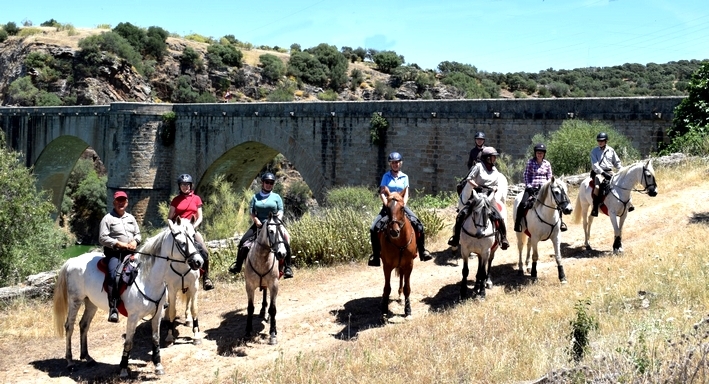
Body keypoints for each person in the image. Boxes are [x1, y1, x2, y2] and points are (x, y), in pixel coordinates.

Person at [368, 152, 433, 267]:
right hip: (388, 207)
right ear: (390, 164)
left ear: (400, 163)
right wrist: (386, 203)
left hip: (401, 207)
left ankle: (422, 251)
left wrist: (403, 204)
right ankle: (376, 256)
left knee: (419, 225)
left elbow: (406, 193)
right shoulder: (386, 177)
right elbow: (382, 192)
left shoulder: (405, 177)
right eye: (393, 163)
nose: (395, 164)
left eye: (397, 162)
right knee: (374, 228)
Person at [229, 172, 293, 278]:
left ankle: (288, 268)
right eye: (267, 182)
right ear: (262, 183)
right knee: (243, 242)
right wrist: (256, 220)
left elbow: (281, 211)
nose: (269, 184)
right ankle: (238, 266)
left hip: (274, 224)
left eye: (271, 183)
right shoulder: (255, 197)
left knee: (285, 239)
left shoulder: (276, 197)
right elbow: (251, 212)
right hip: (259, 224)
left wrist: (276, 221)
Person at [448, 147, 510, 250]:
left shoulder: (494, 169)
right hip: (477, 195)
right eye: (493, 157)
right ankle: (456, 239)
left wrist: (494, 189)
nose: (495, 159)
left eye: (495, 157)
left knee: (499, 216)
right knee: (461, 215)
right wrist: (477, 186)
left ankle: (503, 239)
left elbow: (496, 184)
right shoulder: (478, 166)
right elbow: (469, 179)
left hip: (490, 196)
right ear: (487, 158)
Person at [99, 190, 141, 323]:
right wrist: (120, 244)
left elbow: (138, 234)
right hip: (115, 252)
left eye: (123, 200)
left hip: (131, 252)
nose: (121, 203)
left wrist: (135, 241)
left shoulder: (131, 218)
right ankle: (113, 308)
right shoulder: (107, 218)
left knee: (148, 268)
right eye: (118, 200)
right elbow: (102, 238)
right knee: (113, 274)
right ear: (114, 202)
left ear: (127, 203)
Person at [168, 174, 214, 291]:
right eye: (183, 185)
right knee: (165, 251)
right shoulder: (176, 200)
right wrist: (172, 227)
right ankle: (164, 280)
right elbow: (169, 217)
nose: (185, 187)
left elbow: (200, 217)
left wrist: (193, 226)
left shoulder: (196, 199)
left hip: (192, 229)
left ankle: (206, 278)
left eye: (187, 184)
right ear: (180, 186)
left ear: (190, 185)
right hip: (178, 230)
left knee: (204, 251)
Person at [514, 143, 567, 232]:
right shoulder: (530, 162)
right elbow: (526, 175)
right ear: (535, 153)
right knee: (522, 204)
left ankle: (561, 222)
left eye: (541, 153)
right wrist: (529, 186)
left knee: (558, 203)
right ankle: (518, 223)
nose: (540, 154)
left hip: (544, 189)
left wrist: (549, 187)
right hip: (532, 188)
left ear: (544, 154)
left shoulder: (547, 164)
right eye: (538, 152)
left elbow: (550, 177)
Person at [590, 132, 623, 217]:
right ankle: (595, 208)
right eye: (598, 141)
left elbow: (617, 162)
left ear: (606, 141)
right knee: (597, 187)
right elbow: (595, 165)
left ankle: (628, 203)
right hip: (599, 173)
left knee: (621, 182)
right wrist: (603, 173)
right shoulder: (594, 151)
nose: (600, 142)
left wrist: (621, 170)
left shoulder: (611, 150)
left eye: (602, 140)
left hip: (610, 171)